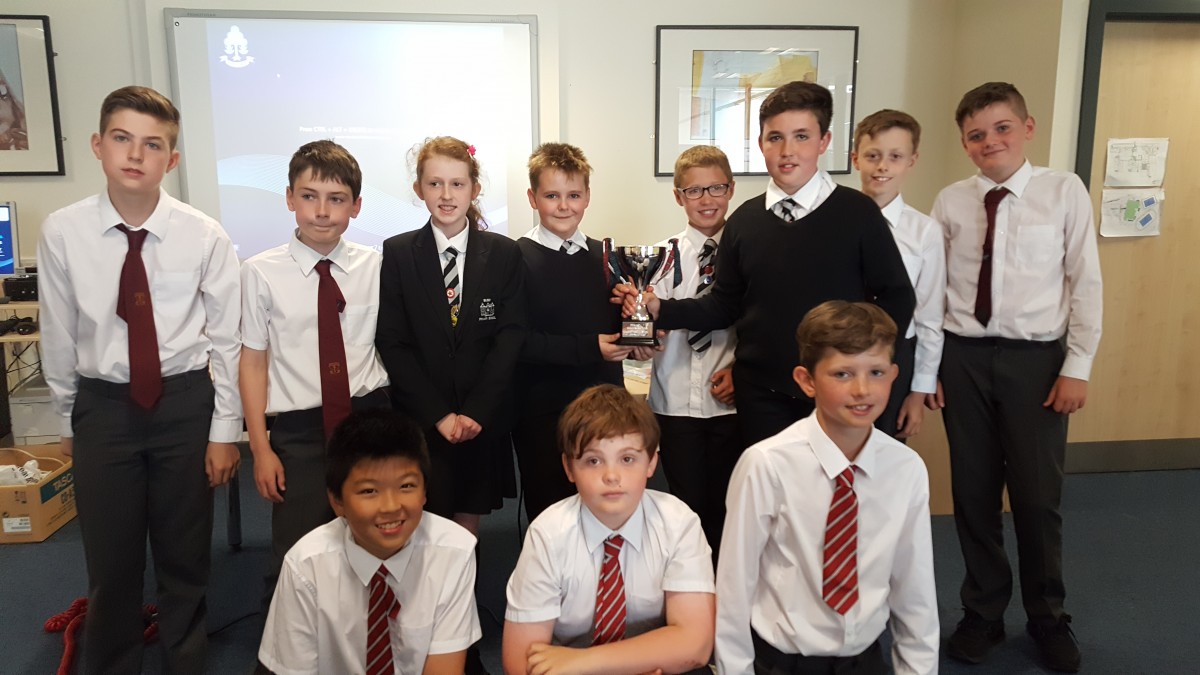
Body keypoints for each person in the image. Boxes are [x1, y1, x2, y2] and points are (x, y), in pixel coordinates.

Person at [38, 85, 242, 673]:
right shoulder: (63, 231)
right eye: (122, 138)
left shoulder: (204, 234)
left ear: (171, 160)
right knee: (111, 557)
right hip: (103, 407)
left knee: (185, 552)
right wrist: (68, 418)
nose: (135, 154)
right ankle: (112, 662)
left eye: (152, 145)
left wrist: (224, 430)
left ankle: (185, 659)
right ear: (98, 145)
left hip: (184, 402)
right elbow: (58, 332)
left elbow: (227, 340)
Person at [617, 81, 915, 447]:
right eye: (775, 138)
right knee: (769, 482)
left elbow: (897, 298)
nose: (788, 151)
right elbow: (723, 305)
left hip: (837, 391)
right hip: (762, 396)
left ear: (824, 141)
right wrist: (659, 309)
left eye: (802, 136)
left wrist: (867, 367)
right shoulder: (745, 221)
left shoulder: (858, 213)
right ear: (760, 143)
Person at [933, 82, 1101, 673]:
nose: (990, 141)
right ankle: (982, 612)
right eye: (976, 134)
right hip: (963, 358)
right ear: (964, 143)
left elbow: (1085, 281)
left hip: (1037, 362)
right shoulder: (951, 201)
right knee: (973, 493)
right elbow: (933, 290)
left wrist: (1077, 365)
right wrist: (931, 367)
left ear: (1027, 128)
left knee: (1035, 497)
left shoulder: (1063, 191)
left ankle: (1047, 616)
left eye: (1002, 128)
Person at [716, 301, 938, 675]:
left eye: (876, 372)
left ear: (894, 375)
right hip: (783, 663)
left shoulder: (906, 469)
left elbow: (914, 585)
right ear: (807, 380)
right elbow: (734, 585)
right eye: (842, 374)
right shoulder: (767, 464)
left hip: (864, 660)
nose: (862, 390)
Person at [240, 139, 390, 601]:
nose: (322, 211)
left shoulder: (377, 267)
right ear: (290, 198)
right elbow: (252, 361)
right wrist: (261, 448)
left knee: (374, 538)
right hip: (300, 430)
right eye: (309, 196)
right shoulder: (260, 272)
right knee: (297, 549)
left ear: (356, 206)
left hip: (368, 420)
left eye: (337, 199)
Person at [503, 384, 715, 675]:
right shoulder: (548, 534)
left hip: (610, 666)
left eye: (627, 459)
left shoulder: (678, 522)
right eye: (593, 461)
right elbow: (520, 662)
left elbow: (695, 644)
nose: (611, 475)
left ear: (651, 462)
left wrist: (585, 662)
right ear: (569, 468)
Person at [258, 409, 482, 675]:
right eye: (369, 491)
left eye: (406, 486)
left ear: (424, 492)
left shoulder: (454, 551)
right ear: (336, 501)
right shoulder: (306, 566)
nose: (390, 506)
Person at [376, 136, 524, 536]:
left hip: (481, 416)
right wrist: (438, 414)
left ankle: (467, 581)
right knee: (423, 519)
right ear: (418, 189)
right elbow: (392, 341)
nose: (446, 195)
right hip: (424, 416)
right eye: (435, 183)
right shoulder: (398, 253)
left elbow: (509, 337)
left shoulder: (504, 254)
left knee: (467, 521)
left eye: (457, 184)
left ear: (474, 189)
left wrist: (476, 412)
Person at [514, 142, 629, 522]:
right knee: (551, 515)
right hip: (543, 412)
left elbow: (618, 326)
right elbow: (518, 342)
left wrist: (638, 341)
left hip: (604, 408)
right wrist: (590, 347)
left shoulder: (608, 257)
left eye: (574, 195)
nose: (564, 206)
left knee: (605, 509)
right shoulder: (514, 259)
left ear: (587, 197)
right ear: (532, 197)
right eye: (552, 196)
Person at [645, 145, 740, 557]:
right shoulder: (658, 258)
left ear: (731, 189)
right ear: (678, 196)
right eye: (694, 190)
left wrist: (742, 370)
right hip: (675, 402)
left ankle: (727, 586)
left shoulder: (749, 251)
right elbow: (647, 326)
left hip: (732, 403)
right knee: (685, 507)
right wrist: (645, 335)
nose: (706, 199)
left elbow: (761, 321)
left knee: (730, 507)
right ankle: (688, 582)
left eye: (716, 188)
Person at [851, 109, 945, 440]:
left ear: (911, 160)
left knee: (887, 450)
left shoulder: (924, 232)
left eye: (895, 156)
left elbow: (930, 316)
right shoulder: (835, 222)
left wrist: (918, 392)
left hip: (896, 355)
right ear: (855, 159)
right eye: (872, 156)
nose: (882, 166)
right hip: (840, 352)